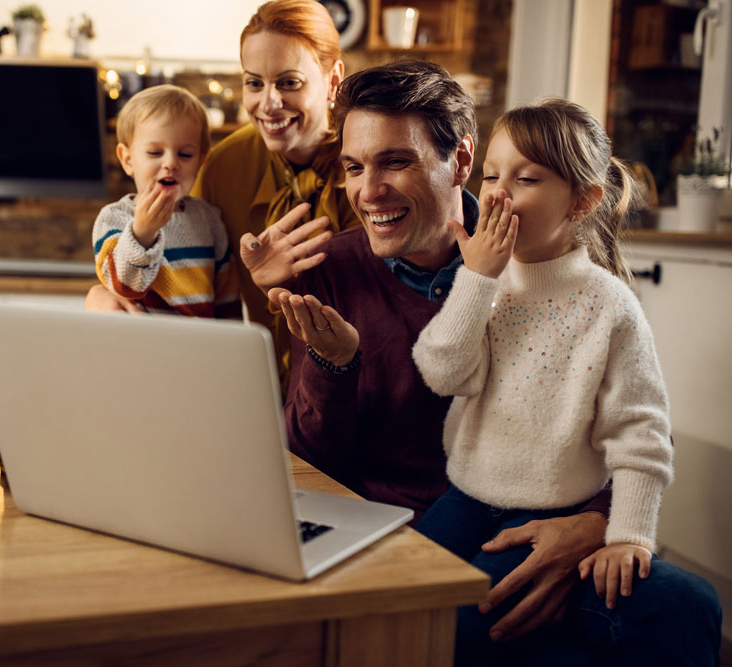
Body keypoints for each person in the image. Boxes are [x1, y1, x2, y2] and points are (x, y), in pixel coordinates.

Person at [264, 60, 721, 665]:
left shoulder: (547, 261)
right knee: (473, 626)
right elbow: (314, 455)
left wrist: (598, 524)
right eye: (353, 167)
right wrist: (335, 364)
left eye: (395, 161)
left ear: (459, 161)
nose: (367, 191)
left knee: (687, 605)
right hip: (415, 519)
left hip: (549, 511)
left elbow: (634, 427)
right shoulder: (331, 266)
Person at [410, 99, 674, 662]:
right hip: (465, 499)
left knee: (464, 627)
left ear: (582, 201)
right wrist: (477, 281)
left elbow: (642, 434)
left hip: (547, 516)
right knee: (397, 600)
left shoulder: (610, 307)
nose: (500, 193)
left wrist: (626, 534)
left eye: (526, 178)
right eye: (491, 174)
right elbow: (441, 372)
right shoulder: (484, 283)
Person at [88, 0, 358, 378]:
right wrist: (101, 294)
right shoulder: (225, 163)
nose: (269, 103)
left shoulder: (366, 165)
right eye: (254, 83)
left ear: (333, 79)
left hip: (352, 394)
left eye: (289, 82)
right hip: (256, 390)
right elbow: (176, 251)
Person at [92, 85, 239, 318]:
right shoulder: (114, 218)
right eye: (154, 153)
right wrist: (142, 233)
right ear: (128, 160)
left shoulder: (209, 219)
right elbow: (123, 286)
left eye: (185, 154)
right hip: (142, 345)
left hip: (199, 347)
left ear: (200, 161)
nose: (171, 163)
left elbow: (227, 296)